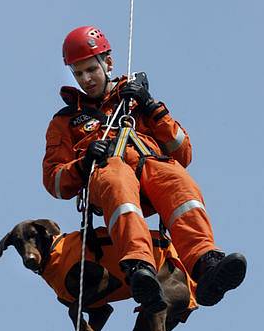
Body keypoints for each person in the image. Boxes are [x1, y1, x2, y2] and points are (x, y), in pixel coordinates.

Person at [43, 25, 246, 314]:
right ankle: (139, 267)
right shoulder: (65, 122)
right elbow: (54, 180)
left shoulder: (135, 100)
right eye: (79, 73)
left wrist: (151, 106)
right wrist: (84, 161)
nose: (86, 79)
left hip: (150, 171)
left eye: (91, 70)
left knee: (175, 177)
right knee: (115, 175)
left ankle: (205, 265)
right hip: (109, 178)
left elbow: (182, 151)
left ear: (108, 63)